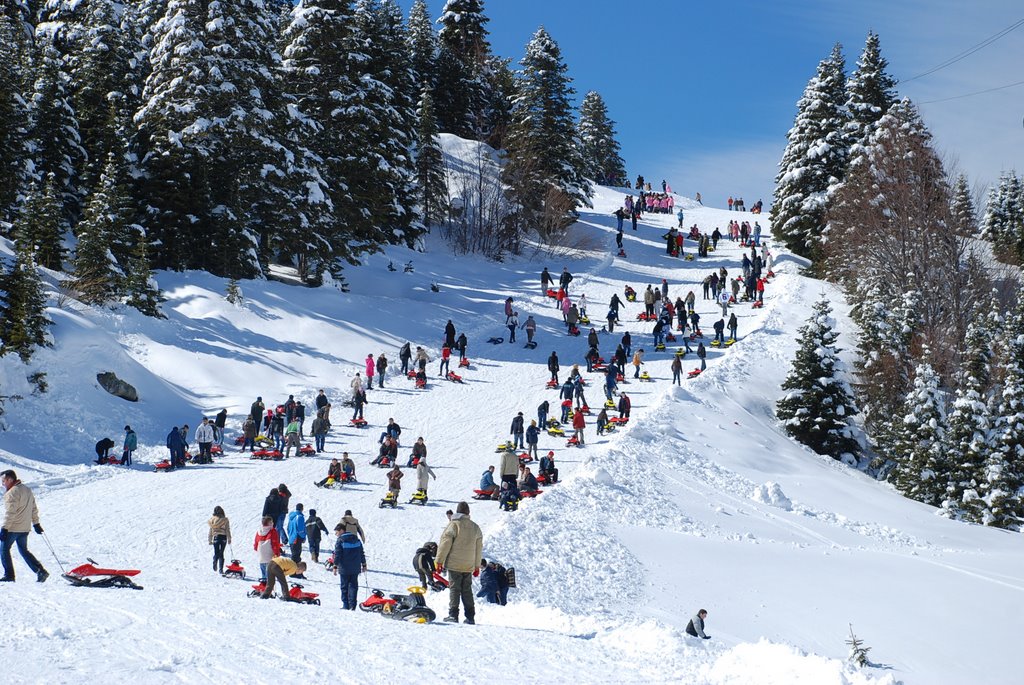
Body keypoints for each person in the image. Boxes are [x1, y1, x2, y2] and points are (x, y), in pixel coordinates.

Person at [436, 501, 484, 624]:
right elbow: (479, 548)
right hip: (468, 565)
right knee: (467, 590)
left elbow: (445, 544)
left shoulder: (454, 525)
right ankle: (470, 616)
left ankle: (453, 615)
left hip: (454, 564)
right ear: (468, 512)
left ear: (457, 512)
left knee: (454, 589)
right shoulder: (475, 527)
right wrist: (477, 566)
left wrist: (439, 561)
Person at [1, 470, 47, 582]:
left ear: (10, 479)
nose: (2, 483)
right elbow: (33, 508)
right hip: (25, 528)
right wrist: (36, 523)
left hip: (13, 528)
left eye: (4, 480)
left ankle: (9, 575)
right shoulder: (27, 489)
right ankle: (40, 571)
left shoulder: (12, 492)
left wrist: (4, 528)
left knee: (3, 549)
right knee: (23, 550)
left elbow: (10, 512)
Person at [333, 524, 367, 610]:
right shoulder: (356, 539)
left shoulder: (340, 540)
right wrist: (364, 564)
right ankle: (353, 605)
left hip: (344, 568)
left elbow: (337, 555)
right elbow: (361, 553)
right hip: (355, 567)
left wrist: (335, 566)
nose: (336, 534)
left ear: (341, 530)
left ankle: (345, 605)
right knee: (353, 586)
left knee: (344, 586)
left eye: (336, 532)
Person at [253, 515, 282, 583]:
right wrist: (277, 553)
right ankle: (268, 589)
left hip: (261, 555)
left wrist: (256, 548)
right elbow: (274, 543)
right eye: (271, 522)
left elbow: (256, 542)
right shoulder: (272, 531)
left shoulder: (259, 531)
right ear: (268, 523)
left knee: (263, 572)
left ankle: (263, 586)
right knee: (270, 574)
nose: (273, 523)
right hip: (269, 555)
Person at [208, 505, 231, 574]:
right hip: (223, 537)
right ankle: (221, 569)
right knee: (221, 553)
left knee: (216, 552)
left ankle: (215, 559)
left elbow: (210, 531)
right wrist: (229, 538)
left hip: (216, 537)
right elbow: (227, 529)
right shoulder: (225, 519)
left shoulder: (212, 520)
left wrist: (210, 540)